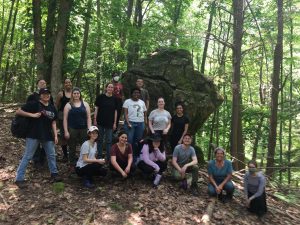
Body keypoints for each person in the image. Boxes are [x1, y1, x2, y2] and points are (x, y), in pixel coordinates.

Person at [15, 88, 62, 188]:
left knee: (51, 155)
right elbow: (18, 111)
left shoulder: (52, 107)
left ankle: (54, 174)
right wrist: (32, 115)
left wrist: (55, 135)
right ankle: (19, 178)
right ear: (40, 95)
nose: (46, 95)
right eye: (44, 94)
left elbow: (53, 122)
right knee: (28, 156)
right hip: (33, 134)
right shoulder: (34, 104)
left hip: (47, 135)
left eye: (48, 94)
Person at [27, 79, 54, 168]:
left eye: (44, 83)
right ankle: (36, 160)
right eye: (41, 83)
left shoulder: (50, 97)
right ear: (37, 85)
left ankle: (43, 158)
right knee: (36, 142)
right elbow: (27, 109)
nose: (43, 84)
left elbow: (52, 109)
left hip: (46, 124)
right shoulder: (32, 96)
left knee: (46, 141)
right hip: (35, 123)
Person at [63, 87, 91, 168]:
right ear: (72, 95)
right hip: (72, 129)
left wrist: (89, 129)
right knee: (72, 147)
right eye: (74, 93)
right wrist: (66, 131)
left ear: (80, 94)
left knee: (84, 146)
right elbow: (65, 119)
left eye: (77, 93)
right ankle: (72, 164)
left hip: (84, 128)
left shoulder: (85, 104)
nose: (76, 95)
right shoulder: (68, 105)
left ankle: (84, 163)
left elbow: (88, 117)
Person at [94, 83, 117, 161]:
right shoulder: (101, 97)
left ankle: (109, 157)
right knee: (99, 139)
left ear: (113, 89)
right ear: (106, 88)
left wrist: (114, 122)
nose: (110, 88)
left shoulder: (114, 99)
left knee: (109, 141)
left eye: (111, 87)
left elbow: (115, 112)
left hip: (110, 123)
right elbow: (96, 108)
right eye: (109, 87)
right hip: (100, 121)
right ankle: (99, 156)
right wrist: (95, 119)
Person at [123, 88, 147, 159]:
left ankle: (135, 156)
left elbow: (145, 114)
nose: (136, 94)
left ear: (140, 94)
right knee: (129, 140)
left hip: (140, 123)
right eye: (134, 93)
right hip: (130, 123)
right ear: (132, 94)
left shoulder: (142, 102)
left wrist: (145, 124)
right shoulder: (127, 102)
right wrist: (128, 123)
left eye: (138, 93)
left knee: (138, 140)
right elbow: (125, 113)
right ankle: (128, 155)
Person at [55, 78, 72, 162]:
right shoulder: (61, 94)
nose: (68, 84)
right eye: (66, 83)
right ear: (64, 84)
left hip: (72, 117)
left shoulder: (74, 93)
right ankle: (65, 155)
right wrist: (57, 117)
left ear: (71, 83)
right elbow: (57, 106)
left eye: (69, 82)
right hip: (62, 117)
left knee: (72, 135)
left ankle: (71, 154)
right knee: (63, 135)